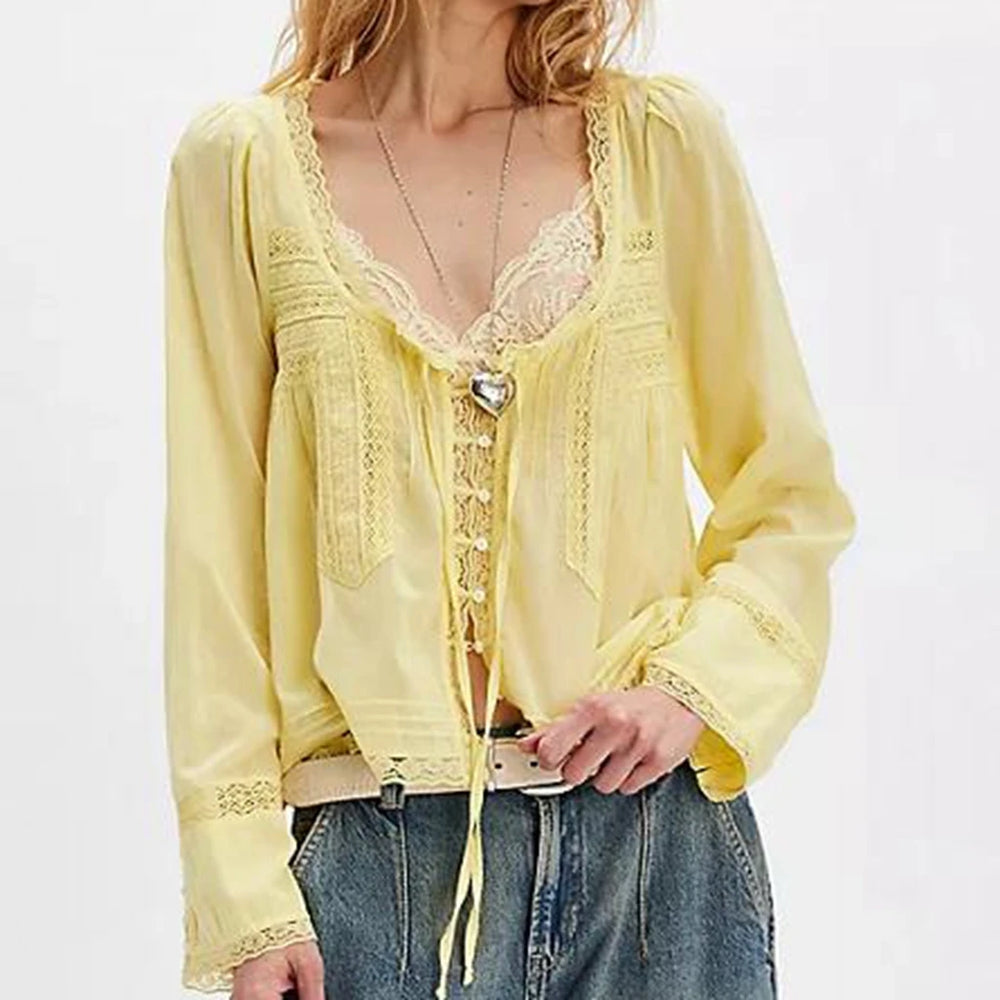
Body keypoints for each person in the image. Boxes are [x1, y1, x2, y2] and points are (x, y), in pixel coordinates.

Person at [161, 1, 856, 998]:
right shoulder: (242, 167)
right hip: (375, 865)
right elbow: (214, 559)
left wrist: (691, 687)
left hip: (658, 856)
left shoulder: (661, 146)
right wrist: (243, 895)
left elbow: (788, 494)